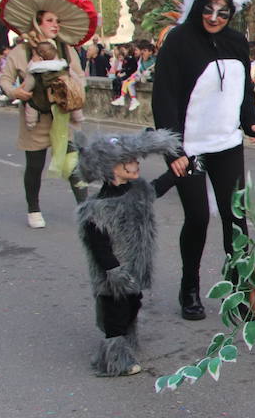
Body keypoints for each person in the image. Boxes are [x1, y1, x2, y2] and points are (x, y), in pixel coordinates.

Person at [151, 0, 255, 320]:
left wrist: (252, 122)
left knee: (235, 220)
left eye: (223, 12)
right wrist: (173, 149)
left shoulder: (236, 42)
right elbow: (164, 97)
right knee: (198, 218)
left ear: (232, 12)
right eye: (209, 9)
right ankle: (190, 287)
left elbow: (243, 89)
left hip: (227, 144)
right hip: (190, 148)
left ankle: (236, 291)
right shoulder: (179, 42)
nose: (215, 17)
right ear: (200, 5)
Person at [75, 129, 186, 377]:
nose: (135, 164)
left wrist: (177, 172)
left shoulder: (137, 190)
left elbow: (157, 188)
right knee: (115, 313)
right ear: (109, 167)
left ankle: (127, 342)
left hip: (135, 267)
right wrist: (113, 271)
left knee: (133, 304)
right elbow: (98, 245)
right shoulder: (97, 208)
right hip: (113, 273)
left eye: (135, 159)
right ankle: (113, 358)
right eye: (127, 160)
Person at [0, 8, 90, 226]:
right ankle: (34, 210)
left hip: (64, 116)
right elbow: (4, 79)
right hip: (36, 116)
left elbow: (81, 77)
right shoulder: (20, 51)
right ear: (37, 23)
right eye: (50, 20)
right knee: (35, 165)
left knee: (73, 163)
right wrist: (15, 92)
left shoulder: (66, 49)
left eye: (57, 21)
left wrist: (71, 86)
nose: (55, 24)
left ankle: (85, 211)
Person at [20, 40, 85, 130]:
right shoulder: (62, 65)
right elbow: (75, 78)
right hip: (63, 96)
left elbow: (28, 86)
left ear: (40, 57)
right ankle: (78, 117)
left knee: (31, 105)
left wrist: (23, 92)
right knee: (73, 99)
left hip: (43, 100)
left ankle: (31, 123)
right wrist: (80, 85)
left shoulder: (35, 71)